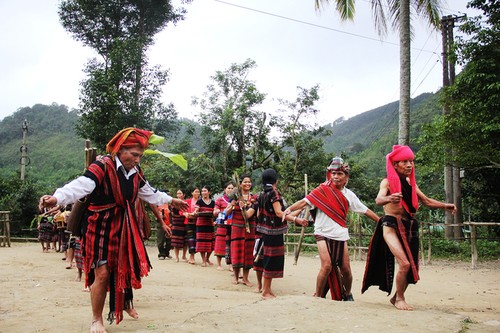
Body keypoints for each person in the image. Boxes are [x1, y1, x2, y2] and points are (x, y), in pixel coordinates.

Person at [38, 127, 188, 333]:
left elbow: (149, 193)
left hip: (123, 226)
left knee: (123, 268)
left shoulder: (136, 173)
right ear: (120, 149)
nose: (137, 160)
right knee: (102, 273)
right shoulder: (102, 165)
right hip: (98, 225)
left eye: (140, 156)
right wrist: (56, 198)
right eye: (134, 155)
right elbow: (80, 185)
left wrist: (172, 200)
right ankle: (96, 319)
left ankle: (125, 304)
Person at [362, 145, 456, 310]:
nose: (409, 165)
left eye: (411, 161)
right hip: (390, 224)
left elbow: (426, 201)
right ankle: (400, 299)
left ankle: (396, 297)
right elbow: (378, 200)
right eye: (404, 161)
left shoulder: (411, 183)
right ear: (395, 164)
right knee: (404, 264)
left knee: (410, 265)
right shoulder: (387, 182)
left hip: (409, 225)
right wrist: (390, 198)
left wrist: (445, 205)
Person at [284, 157, 379, 301]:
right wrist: (289, 209)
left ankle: (347, 294)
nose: (335, 177)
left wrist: (381, 222)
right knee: (327, 265)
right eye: (333, 173)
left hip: (340, 234)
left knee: (346, 269)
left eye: (339, 174)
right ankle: (318, 295)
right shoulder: (321, 190)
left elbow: (365, 210)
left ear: (346, 177)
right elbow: (304, 202)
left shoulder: (349, 195)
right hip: (322, 232)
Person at [252, 168, 308, 299]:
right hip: (273, 232)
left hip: (265, 231)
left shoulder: (261, 194)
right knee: (270, 260)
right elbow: (278, 213)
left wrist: (299, 209)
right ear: (276, 180)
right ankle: (265, 291)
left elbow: (260, 214)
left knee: (268, 259)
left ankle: (267, 289)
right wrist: (296, 219)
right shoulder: (274, 193)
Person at [227, 174, 257, 286]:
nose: (247, 184)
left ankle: (245, 278)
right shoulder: (234, 196)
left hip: (250, 227)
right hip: (237, 226)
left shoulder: (254, 198)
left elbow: (253, 213)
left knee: (248, 251)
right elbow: (227, 212)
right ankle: (235, 277)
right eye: (245, 182)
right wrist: (233, 206)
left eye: (249, 182)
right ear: (240, 184)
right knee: (236, 250)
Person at [213, 182, 234, 271]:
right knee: (220, 243)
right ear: (225, 189)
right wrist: (217, 211)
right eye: (228, 188)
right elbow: (215, 210)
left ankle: (230, 264)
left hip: (232, 224)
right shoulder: (220, 200)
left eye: (232, 188)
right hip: (222, 225)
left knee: (231, 244)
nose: (230, 190)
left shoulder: (235, 200)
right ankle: (219, 264)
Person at [194, 186, 215, 267]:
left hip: (210, 224)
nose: (203, 192)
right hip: (201, 224)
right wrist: (195, 212)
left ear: (209, 192)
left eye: (205, 191)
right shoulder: (199, 201)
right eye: (202, 191)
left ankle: (207, 258)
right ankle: (203, 260)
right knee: (201, 242)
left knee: (211, 242)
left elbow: (215, 211)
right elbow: (196, 209)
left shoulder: (213, 202)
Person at [184, 187, 201, 265]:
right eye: (195, 191)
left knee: (197, 239)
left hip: (199, 222)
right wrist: (186, 214)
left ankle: (204, 258)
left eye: (198, 192)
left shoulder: (201, 202)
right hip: (189, 222)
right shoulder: (187, 201)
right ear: (192, 193)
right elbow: (182, 210)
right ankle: (192, 256)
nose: (197, 193)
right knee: (191, 239)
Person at [170, 189, 188, 262]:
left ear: (183, 195)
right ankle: (176, 257)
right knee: (175, 240)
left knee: (185, 240)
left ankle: (184, 255)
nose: (178, 195)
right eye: (177, 193)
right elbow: (171, 213)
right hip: (176, 223)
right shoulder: (173, 203)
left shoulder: (186, 203)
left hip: (184, 223)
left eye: (180, 193)